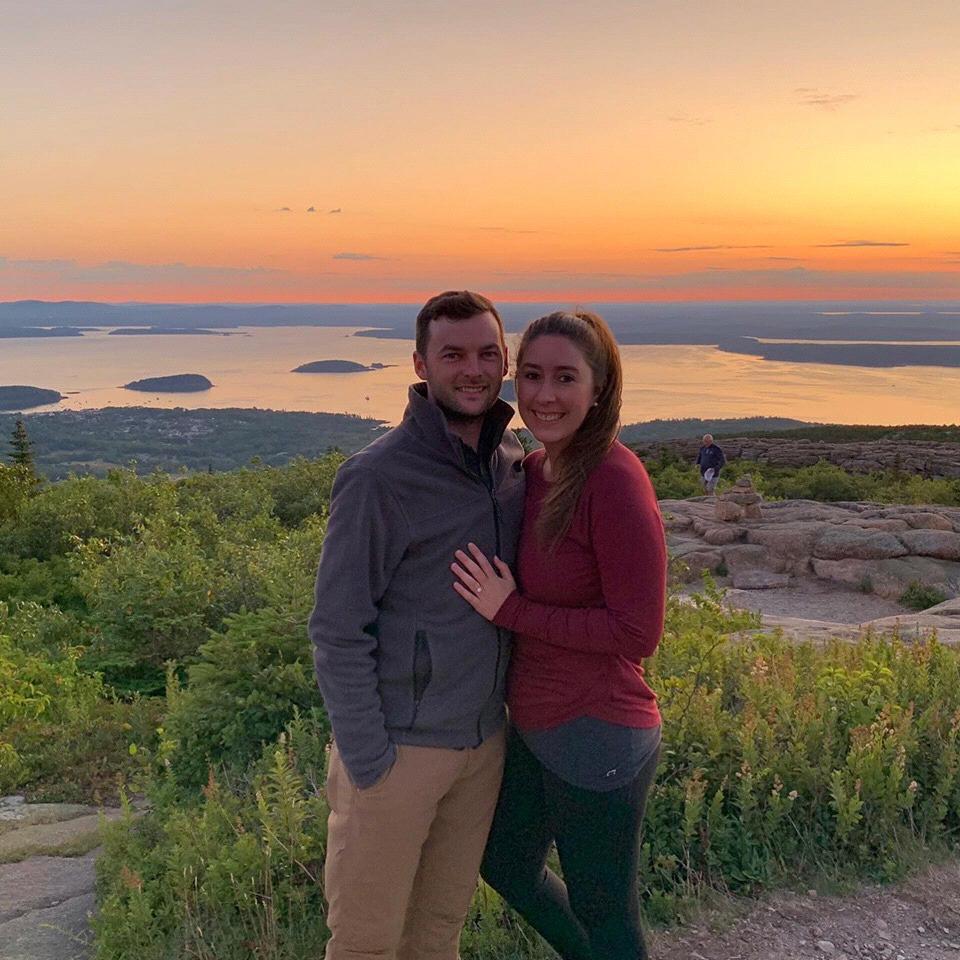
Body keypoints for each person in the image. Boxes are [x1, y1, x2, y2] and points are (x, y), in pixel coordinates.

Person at [309, 290, 525, 960]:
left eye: (487, 352)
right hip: (398, 754)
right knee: (366, 942)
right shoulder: (378, 478)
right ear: (421, 365)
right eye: (453, 354)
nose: (473, 368)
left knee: (438, 934)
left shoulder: (513, 465)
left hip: (484, 746)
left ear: (505, 359)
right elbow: (337, 630)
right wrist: (370, 760)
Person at [451, 310, 667, 960]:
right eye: (533, 375)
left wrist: (510, 610)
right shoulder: (537, 470)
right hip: (540, 725)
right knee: (505, 863)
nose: (544, 394)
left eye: (565, 377)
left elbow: (638, 632)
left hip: (598, 728)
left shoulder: (614, 481)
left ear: (598, 388)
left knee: (608, 916)